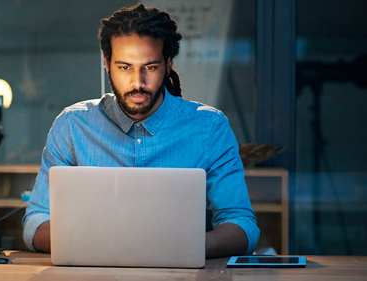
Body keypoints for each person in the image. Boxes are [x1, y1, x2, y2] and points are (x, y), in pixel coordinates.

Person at [23, 3, 259, 258]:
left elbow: (242, 224)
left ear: (168, 64)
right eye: (125, 67)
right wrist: (92, 241)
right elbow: (36, 221)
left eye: (150, 67)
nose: (137, 82)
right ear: (107, 63)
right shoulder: (72, 126)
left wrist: (190, 246)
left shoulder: (210, 128)